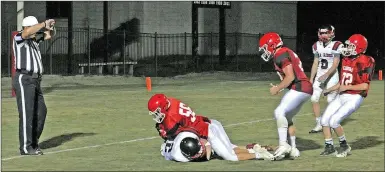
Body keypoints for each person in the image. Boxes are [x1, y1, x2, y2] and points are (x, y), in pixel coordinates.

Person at [148, 93, 275, 162]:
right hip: (209, 124)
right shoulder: (172, 101)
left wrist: (162, 131)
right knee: (231, 148)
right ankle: (258, 148)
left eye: (157, 112)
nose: (156, 115)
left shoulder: (172, 117)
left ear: (164, 107)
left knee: (230, 156)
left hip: (207, 131)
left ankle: (260, 155)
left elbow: (171, 134)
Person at [258, 32, 313, 160]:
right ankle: (293, 148)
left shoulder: (280, 53)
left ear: (271, 44)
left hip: (300, 88)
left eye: (265, 48)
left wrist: (277, 88)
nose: (264, 51)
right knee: (287, 118)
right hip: (303, 88)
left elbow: (290, 76)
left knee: (279, 112)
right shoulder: (284, 52)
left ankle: (284, 144)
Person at [320, 34, 375, 157]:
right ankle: (329, 147)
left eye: (351, 46)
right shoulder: (346, 59)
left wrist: (347, 87)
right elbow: (343, 82)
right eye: (348, 45)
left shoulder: (365, 61)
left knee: (334, 121)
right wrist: (329, 90)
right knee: (324, 120)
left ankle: (344, 146)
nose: (348, 48)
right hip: (342, 95)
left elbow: (365, 86)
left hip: (355, 97)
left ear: (359, 48)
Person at [12, 16, 55, 155]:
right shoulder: (20, 38)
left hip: (36, 80)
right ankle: (26, 147)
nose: (36, 31)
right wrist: (43, 24)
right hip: (24, 78)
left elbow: (48, 36)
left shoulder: (34, 40)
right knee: (27, 114)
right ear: (27, 27)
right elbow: (26, 33)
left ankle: (33, 143)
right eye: (34, 27)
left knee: (41, 112)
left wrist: (49, 27)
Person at [309, 25, 343, 133]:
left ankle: (332, 122)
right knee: (314, 98)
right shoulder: (316, 46)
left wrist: (327, 75)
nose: (324, 35)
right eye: (322, 33)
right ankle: (319, 123)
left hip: (332, 76)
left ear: (331, 33)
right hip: (320, 75)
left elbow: (335, 64)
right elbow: (315, 63)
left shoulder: (336, 45)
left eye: (326, 33)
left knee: (330, 100)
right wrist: (311, 78)